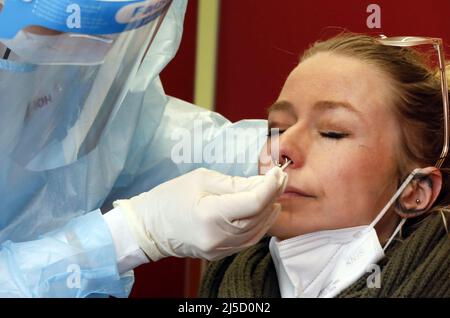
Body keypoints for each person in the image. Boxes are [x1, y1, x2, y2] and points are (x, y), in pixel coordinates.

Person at [0, 0, 287, 297]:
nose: (100, 47)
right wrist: (129, 234)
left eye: (333, 133)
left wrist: (271, 149)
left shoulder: (81, 73)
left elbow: (146, 136)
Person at [199, 33, 450, 298]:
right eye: (278, 129)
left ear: (415, 190)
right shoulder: (222, 283)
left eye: (332, 132)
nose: (282, 148)